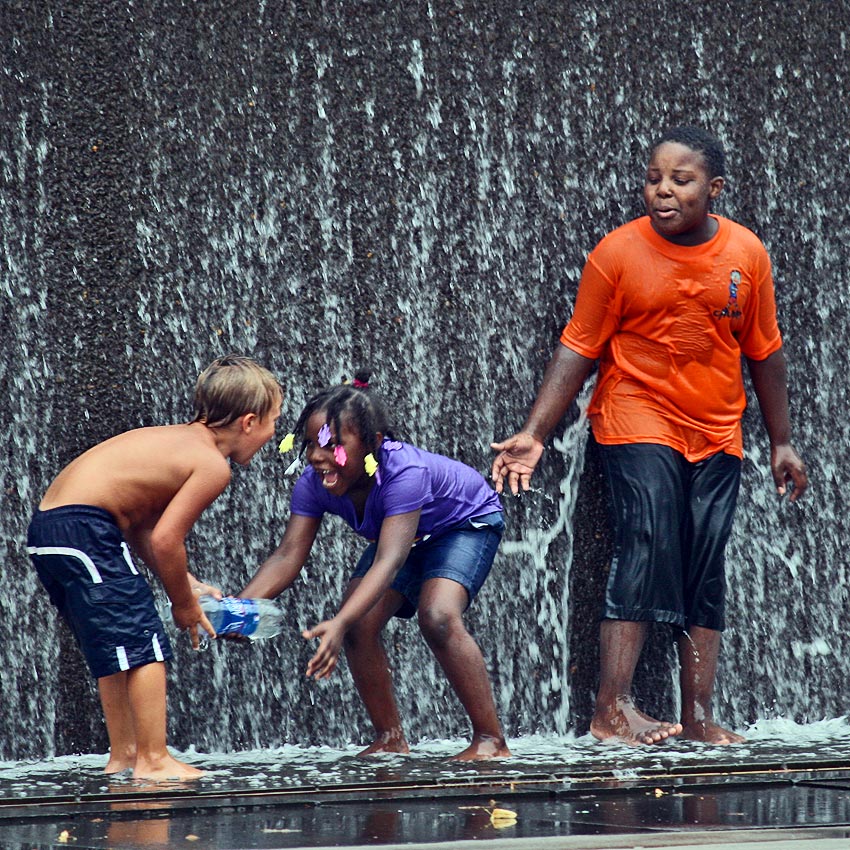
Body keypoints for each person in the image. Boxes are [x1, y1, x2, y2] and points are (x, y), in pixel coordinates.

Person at [491, 126, 808, 746]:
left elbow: (765, 351)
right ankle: (610, 710)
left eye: (680, 181)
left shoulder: (747, 254)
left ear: (713, 189)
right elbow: (577, 347)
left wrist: (781, 440)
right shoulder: (617, 253)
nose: (662, 192)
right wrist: (534, 432)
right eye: (654, 179)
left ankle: (696, 717)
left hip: (717, 428)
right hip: (635, 415)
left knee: (704, 563)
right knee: (647, 534)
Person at [27, 354, 282, 779]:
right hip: (85, 530)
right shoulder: (212, 465)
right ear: (250, 422)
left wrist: (187, 581)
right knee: (145, 640)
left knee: (113, 644)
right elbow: (167, 540)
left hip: (54, 531)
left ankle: (124, 755)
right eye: (275, 420)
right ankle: (154, 759)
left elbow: (143, 526)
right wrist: (183, 605)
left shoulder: (176, 440)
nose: (275, 433)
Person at [240, 373, 511, 760]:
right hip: (401, 536)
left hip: (463, 525)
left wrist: (339, 620)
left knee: (437, 615)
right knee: (360, 627)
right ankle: (390, 738)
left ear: (373, 443)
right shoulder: (314, 482)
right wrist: (241, 608)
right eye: (310, 445)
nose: (317, 457)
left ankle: (491, 740)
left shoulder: (404, 473)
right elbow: (288, 555)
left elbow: (390, 560)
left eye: (331, 446)